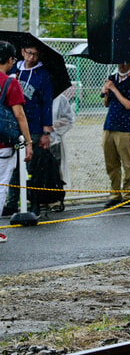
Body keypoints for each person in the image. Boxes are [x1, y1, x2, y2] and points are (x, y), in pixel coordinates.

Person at [4, 40, 54, 216]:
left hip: (33, 125)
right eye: (29, 53)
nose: (31, 57)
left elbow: (47, 103)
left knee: (32, 166)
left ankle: (34, 202)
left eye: (35, 54)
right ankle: (11, 202)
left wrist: (46, 131)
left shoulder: (43, 75)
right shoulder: (12, 70)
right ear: (22, 52)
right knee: (13, 166)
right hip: (11, 126)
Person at [0, 41, 34, 243]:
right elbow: (20, 115)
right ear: (11, 60)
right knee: (1, 186)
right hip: (3, 144)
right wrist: (28, 142)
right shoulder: (10, 83)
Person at [100, 57, 130, 207]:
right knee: (111, 162)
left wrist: (114, 89)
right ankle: (115, 194)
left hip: (125, 126)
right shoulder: (112, 78)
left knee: (127, 161)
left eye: (125, 63)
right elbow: (106, 103)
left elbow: (129, 104)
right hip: (110, 124)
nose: (122, 65)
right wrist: (106, 92)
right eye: (120, 62)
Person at [49, 84, 75, 212]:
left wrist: (53, 125)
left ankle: (56, 199)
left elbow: (69, 119)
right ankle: (41, 199)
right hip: (36, 138)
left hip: (54, 140)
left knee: (55, 170)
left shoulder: (60, 99)